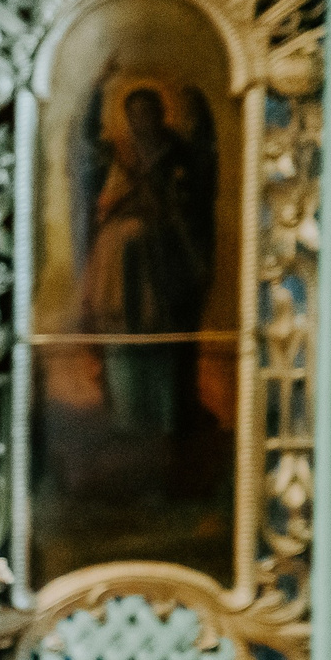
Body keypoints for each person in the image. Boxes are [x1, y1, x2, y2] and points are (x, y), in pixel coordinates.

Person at [72, 74, 217, 438]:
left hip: (164, 257)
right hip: (118, 261)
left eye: (149, 111)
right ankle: (125, 420)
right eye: (134, 112)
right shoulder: (114, 152)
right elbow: (85, 154)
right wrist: (95, 91)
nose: (142, 119)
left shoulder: (175, 151)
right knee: (120, 334)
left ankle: (167, 420)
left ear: (160, 114)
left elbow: (197, 188)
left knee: (162, 333)